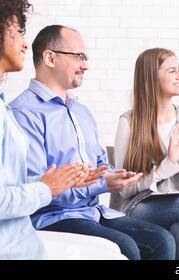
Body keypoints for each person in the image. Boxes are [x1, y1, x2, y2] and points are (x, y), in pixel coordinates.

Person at [9, 25, 177, 260]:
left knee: (161, 240)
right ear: (50, 58)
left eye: (85, 57)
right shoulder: (24, 113)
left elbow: (99, 163)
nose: (85, 65)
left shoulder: (82, 112)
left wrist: (113, 176)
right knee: (125, 247)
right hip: (53, 218)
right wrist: (102, 183)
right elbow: (38, 188)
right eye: (78, 56)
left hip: (93, 212)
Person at [0, 0, 92, 260]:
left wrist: (61, 181)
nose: (24, 43)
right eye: (17, 32)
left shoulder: (3, 106)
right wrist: (46, 188)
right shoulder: (19, 111)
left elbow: (11, 183)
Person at [111, 48, 179, 260]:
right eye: (172, 71)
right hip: (139, 206)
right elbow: (124, 190)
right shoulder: (129, 123)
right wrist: (166, 166)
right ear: (152, 76)